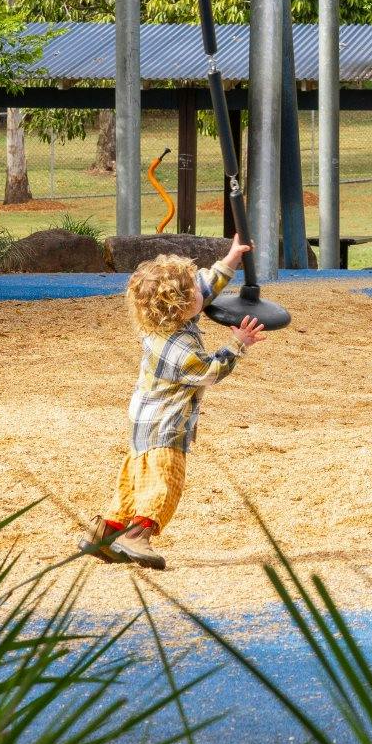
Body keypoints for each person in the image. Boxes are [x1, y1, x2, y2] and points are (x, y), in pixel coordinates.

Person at [80, 238, 264, 572]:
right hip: (166, 425)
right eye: (192, 289)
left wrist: (231, 259)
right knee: (165, 483)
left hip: (143, 422)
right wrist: (237, 344)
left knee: (137, 482)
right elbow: (208, 372)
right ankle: (137, 536)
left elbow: (204, 289)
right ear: (179, 307)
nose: (200, 290)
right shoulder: (177, 347)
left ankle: (104, 531)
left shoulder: (165, 320)